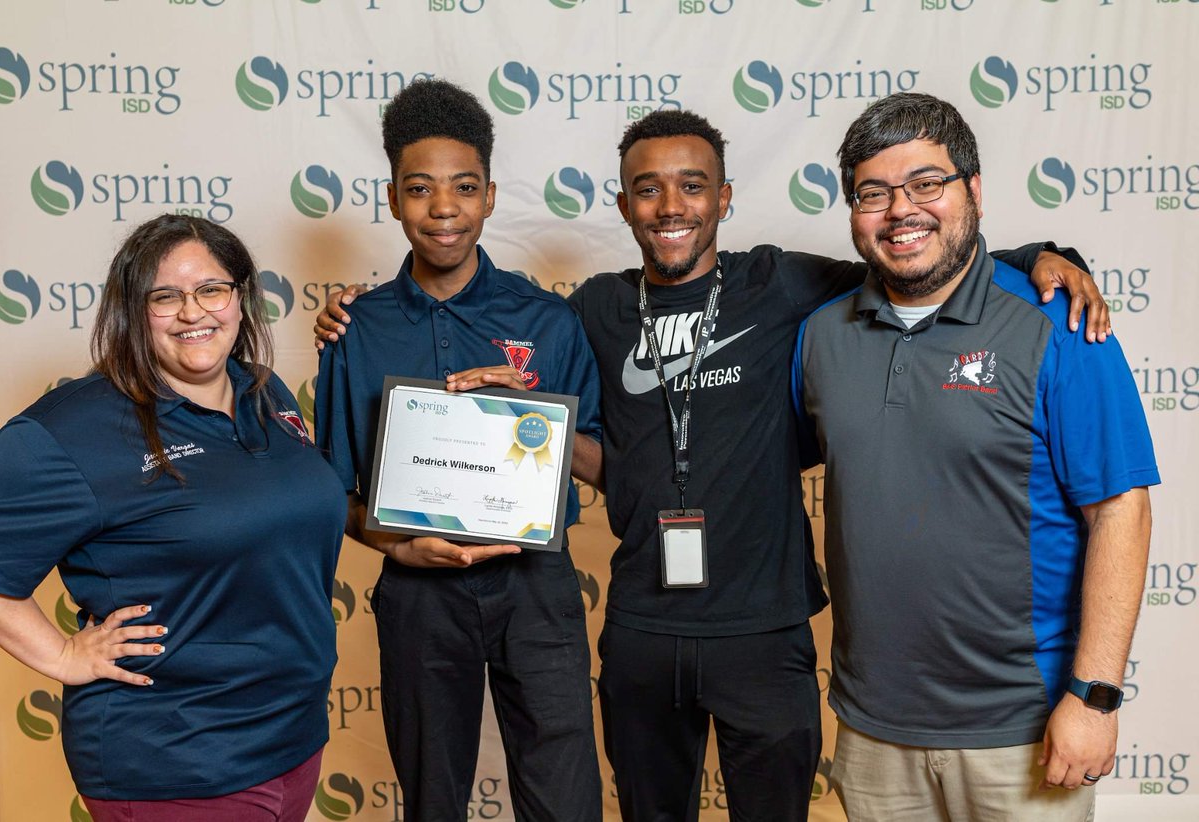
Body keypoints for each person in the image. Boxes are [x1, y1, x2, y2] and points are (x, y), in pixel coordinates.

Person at [315, 109, 1108, 821]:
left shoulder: (785, 284)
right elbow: (563, 440)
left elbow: (913, 259)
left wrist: (1040, 255)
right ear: (623, 206)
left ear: (723, 198)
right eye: (648, 190)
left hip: (764, 630)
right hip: (641, 630)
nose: (671, 207)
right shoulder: (590, 310)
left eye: (692, 186)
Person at [791, 92, 1157, 821]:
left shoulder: (1059, 323)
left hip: (1022, 729)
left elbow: (1122, 511)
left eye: (926, 183)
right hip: (871, 732)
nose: (901, 210)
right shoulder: (820, 337)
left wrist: (1094, 697)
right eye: (874, 193)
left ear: (975, 191)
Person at [313, 78, 603, 822]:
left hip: (535, 585)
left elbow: (599, 459)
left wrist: (525, 415)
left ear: (491, 195)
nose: (444, 209)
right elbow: (335, 493)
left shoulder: (548, 320)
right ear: (392, 198)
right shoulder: (356, 330)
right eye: (421, 189)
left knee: (564, 796)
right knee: (431, 798)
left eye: (464, 187)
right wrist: (396, 549)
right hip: (418, 593)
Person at [0, 214, 346, 821]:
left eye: (212, 289)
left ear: (240, 298)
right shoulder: (72, 430)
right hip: (176, 760)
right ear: (134, 312)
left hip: (292, 739)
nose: (194, 313)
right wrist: (61, 656)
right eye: (166, 297)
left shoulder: (266, 393)